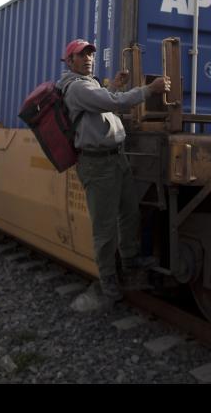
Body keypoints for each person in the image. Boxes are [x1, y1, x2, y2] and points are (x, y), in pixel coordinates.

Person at [58, 39, 169, 302]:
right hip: (97, 164)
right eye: (81, 55)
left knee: (129, 212)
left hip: (116, 160)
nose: (87, 59)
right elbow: (114, 104)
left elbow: (103, 100)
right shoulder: (76, 87)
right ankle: (108, 280)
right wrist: (148, 90)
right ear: (69, 61)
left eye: (90, 55)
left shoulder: (90, 83)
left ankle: (129, 263)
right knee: (105, 228)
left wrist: (115, 85)